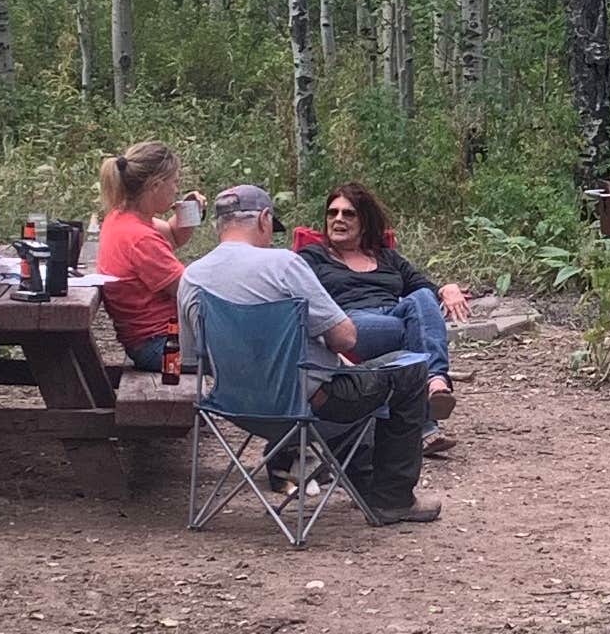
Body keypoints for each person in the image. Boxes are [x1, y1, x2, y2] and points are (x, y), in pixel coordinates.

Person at [177, 184, 437, 525]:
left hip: (236, 408)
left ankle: (365, 484)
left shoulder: (192, 277)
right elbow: (346, 337)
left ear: (218, 225)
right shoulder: (283, 265)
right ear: (264, 219)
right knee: (409, 370)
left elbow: (193, 360)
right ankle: (393, 499)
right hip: (309, 406)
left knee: (350, 383)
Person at [298, 178, 470, 446]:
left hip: (393, 314)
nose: (338, 219)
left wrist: (447, 288)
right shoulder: (313, 257)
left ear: (364, 221)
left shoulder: (386, 257)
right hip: (349, 323)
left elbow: (422, 286)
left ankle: (434, 384)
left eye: (348, 213)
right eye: (332, 213)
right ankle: (431, 397)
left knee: (422, 298)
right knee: (413, 330)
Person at [92, 140, 205, 373]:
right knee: (250, 353)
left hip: (148, 340)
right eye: (174, 183)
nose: (176, 190)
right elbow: (191, 294)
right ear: (155, 185)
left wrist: (190, 211)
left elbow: (172, 236)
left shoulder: (121, 217)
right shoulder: (140, 239)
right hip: (161, 345)